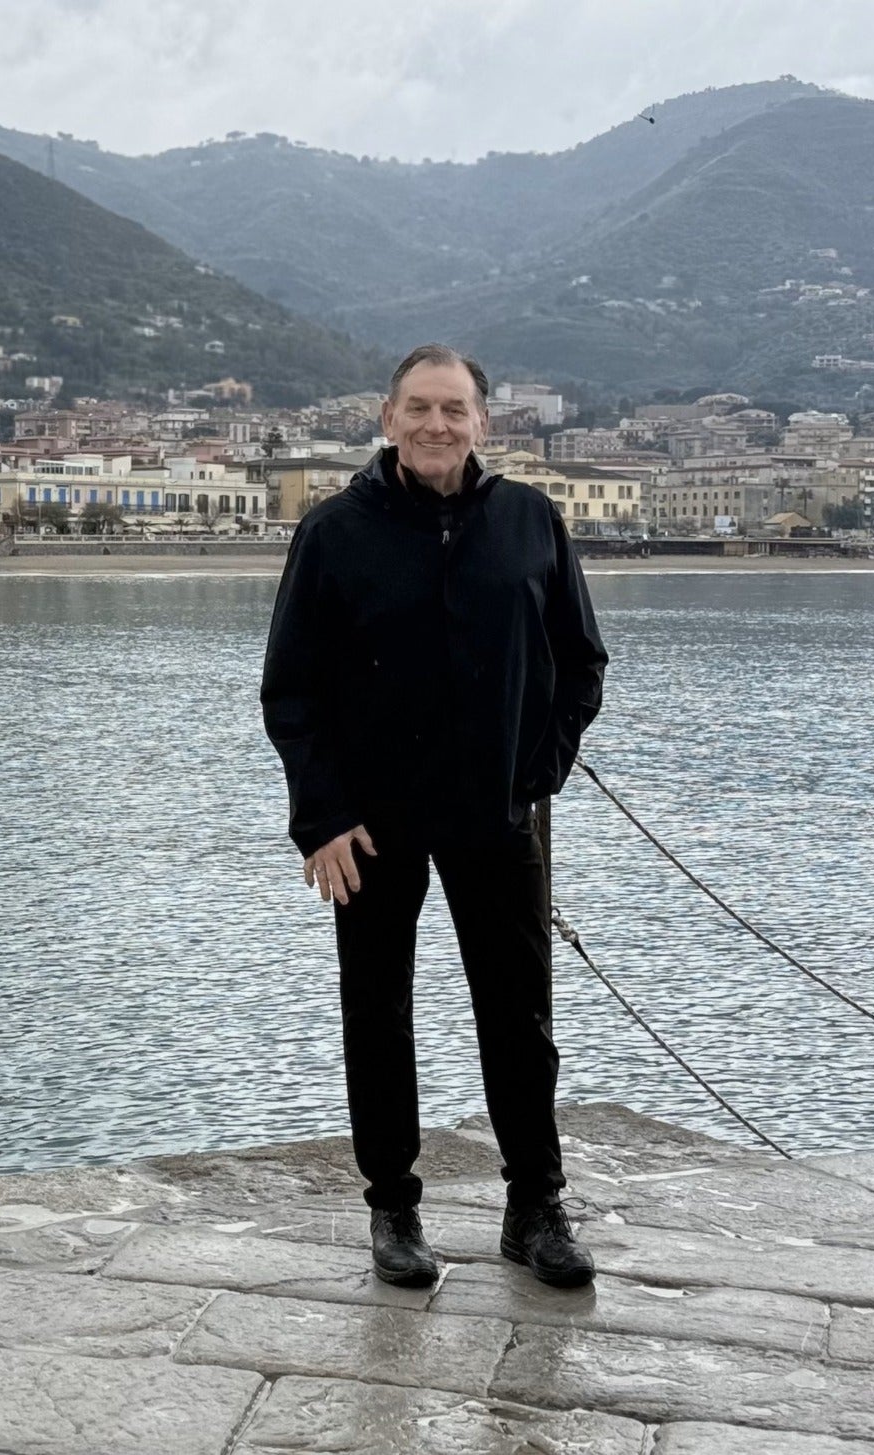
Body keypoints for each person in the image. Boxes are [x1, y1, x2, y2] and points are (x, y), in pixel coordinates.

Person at [261, 343, 607, 1289]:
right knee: (378, 1015)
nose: (436, 426)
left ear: (483, 424)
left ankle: (535, 1206)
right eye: (419, 408)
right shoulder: (333, 533)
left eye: (454, 410)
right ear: (387, 418)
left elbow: (581, 663)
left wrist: (538, 769)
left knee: (520, 1017)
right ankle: (393, 1207)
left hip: (498, 818)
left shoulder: (530, 521)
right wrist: (321, 819)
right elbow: (291, 693)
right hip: (368, 827)